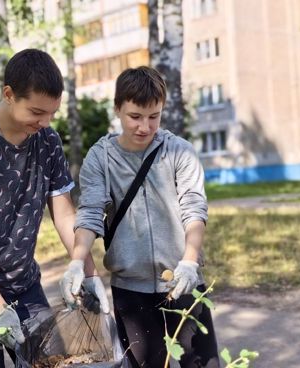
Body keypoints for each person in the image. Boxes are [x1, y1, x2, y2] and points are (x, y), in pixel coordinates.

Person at [0, 49, 108, 367]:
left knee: (50, 360)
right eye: (37, 112)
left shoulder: (48, 141)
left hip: (22, 281)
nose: (45, 123)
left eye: (52, 113)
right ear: (9, 94)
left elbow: (65, 214)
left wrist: (89, 272)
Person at [59, 66, 219, 368]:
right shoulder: (101, 158)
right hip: (132, 293)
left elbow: (194, 209)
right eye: (135, 116)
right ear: (118, 109)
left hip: (183, 284)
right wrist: (77, 262)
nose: (145, 126)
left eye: (153, 116)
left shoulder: (179, 152)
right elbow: (91, 213)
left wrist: (189, 261)